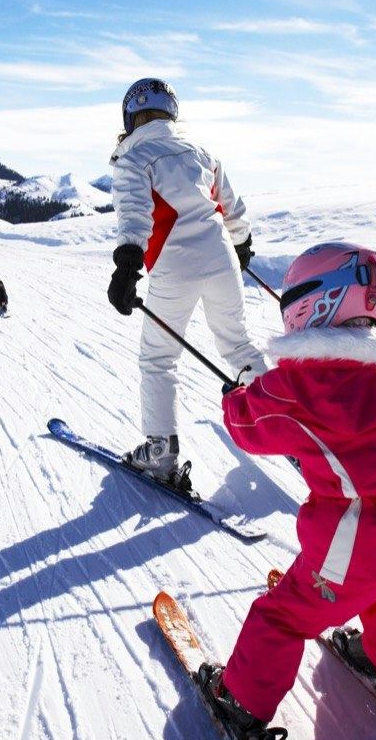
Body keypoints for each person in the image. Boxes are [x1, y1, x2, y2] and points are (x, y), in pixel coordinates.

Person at [195, 242, 376, 740]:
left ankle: (241, 704)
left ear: (312, 304)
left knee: (283, 616)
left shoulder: (299, 385)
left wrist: (237, 396)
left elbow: (249, 426)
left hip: (360, 545)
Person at [106, 77, 266, 484]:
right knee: (238, 344)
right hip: (221, 256)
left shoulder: (134, 157)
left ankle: (160, 450)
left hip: (175, 264)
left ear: (131, 116)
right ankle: (292, 426)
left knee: (159, 358)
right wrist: (241, 247)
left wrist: (127, 267)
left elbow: (135, 214)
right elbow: (232, 209)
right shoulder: (202, 153)